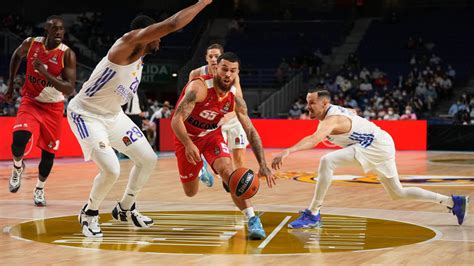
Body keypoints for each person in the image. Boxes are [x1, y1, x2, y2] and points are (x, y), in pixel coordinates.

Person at [67, 0, 213, 238]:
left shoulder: (139, 61)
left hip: (113, 116)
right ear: (145, 34)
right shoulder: (127, 44)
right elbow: (173, 23)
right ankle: (89, 213)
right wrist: (202, 3)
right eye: (156, 34)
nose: (160, 39)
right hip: (87, 114)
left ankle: (125, 208)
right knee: (111, 169)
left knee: (147, 159)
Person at [271, 89, 469, 228]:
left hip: (375, 146)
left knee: (327, 161)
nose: (308, 107)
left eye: (311, 103)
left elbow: (314, 139)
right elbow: (354, 112)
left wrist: (287, 151)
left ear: (325, 103)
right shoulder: (335, 112)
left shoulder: (332, 119)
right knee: (397, 193)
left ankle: (313, 213)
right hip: (381, 141)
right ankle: (453, 202)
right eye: (307, 102)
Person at [171, 52, 275, 239]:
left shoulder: (235, 99)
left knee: (230, 173)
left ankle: (252, 218)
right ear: (216, 69)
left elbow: (251, 131)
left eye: (232, 71)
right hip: (186, 137)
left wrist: (263, 165)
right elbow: (175, 120)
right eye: (224, 69)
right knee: (190, 192)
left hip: (212, 136)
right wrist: (187, 143)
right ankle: (201, 165)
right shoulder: (200, 88)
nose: (228, 74)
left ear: (237, 73)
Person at [5, 15, 77, 206]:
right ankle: (18, 167)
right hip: (31, 101)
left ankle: (39, 189)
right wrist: (11, 83)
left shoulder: (67, 54)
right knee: (19, 139)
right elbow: (16, 56)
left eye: (62, 29)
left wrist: (44, 72)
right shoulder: (31, 44)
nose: (60, 32)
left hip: (53, 108)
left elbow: (69, 88)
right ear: (47, 30)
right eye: (56, 29)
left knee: (48, 155)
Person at [188, 43, 249, 187]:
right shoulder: (196, 74)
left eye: (217, 56)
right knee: (221, 163)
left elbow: (239, 99)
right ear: (206, 58)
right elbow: (190, 100)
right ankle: (209, 169)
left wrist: (229, 115)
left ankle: (240, 187)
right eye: (211, 56)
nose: (214, 59)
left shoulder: (230, 74)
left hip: (231, 117)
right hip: (213, 120)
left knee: (239, 157)